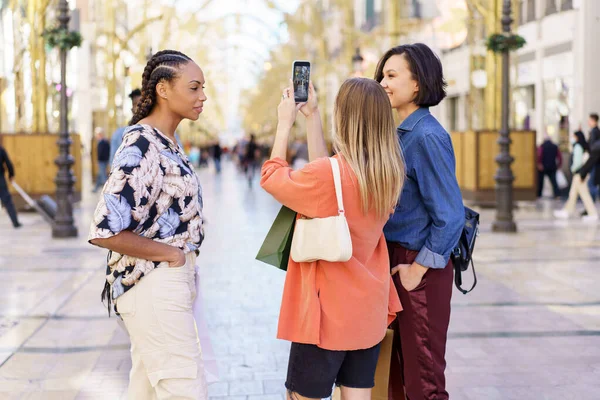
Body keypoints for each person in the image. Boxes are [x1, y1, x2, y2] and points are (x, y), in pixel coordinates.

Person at [261, 78, 403, 400]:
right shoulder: (389, 173)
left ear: (344, 117)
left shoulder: (328, 175)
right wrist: (312, 118)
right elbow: (328, 179)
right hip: (368, 310)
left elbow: (271, 178)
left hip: (325, 315)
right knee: (357, 396)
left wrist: (284, 124)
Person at [88, 50, 209, 399]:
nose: (202, 96)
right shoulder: (141, 142)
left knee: (147, 390)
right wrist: (172, 255)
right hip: (153, 282)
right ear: (163, 90)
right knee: (185, 387)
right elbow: (105, 228)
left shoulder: (166, 141)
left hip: (164, 281)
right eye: (194, 87)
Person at [375, 43, 464, 400]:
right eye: (382, 74)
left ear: (417, 84)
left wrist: (418, 269)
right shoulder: (402, 134)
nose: (382, 82)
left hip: (419, 269)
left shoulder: (427, 135)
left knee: (423, 378)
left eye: (392, 75)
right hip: (397, 263)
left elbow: (450, 214)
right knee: (399, 375)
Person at [554, 131, 598, 221]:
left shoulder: (578, 147)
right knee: (573, 194)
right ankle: (567, 211)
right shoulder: (583, 147)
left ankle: (592, 213)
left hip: (579, 174)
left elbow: (577, 162)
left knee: (584, 194)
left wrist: (573, 169)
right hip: (580, 173)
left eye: (573, 136)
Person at [109, 89, 142, 165]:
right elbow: (112, 163)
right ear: (132, 109)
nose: (140, 108)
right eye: (137, 104)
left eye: (143, 103)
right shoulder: (119, 134)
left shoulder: (161, 132)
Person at [0, 144, 21, 228]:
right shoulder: (1, 150)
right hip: (0, 179)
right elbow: (8, 163)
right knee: (8, 201)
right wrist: (11, 175)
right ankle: (15, 222)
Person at [586, 113, 600, 203]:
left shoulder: (595, 132)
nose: (588, 122)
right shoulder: (594, 131)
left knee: (591, 184)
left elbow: (593, 148)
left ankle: (591, 206)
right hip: (594, 161)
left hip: (594, 161)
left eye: (589, 120)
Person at [93, 128, 110, 193]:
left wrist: (99, 160)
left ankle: (107, 190)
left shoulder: (103, 142)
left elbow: (102, 152)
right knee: (100, 175)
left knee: (103, 175)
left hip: (102, 161)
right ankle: (96, 188)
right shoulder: (103, 142)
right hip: (103, 160)